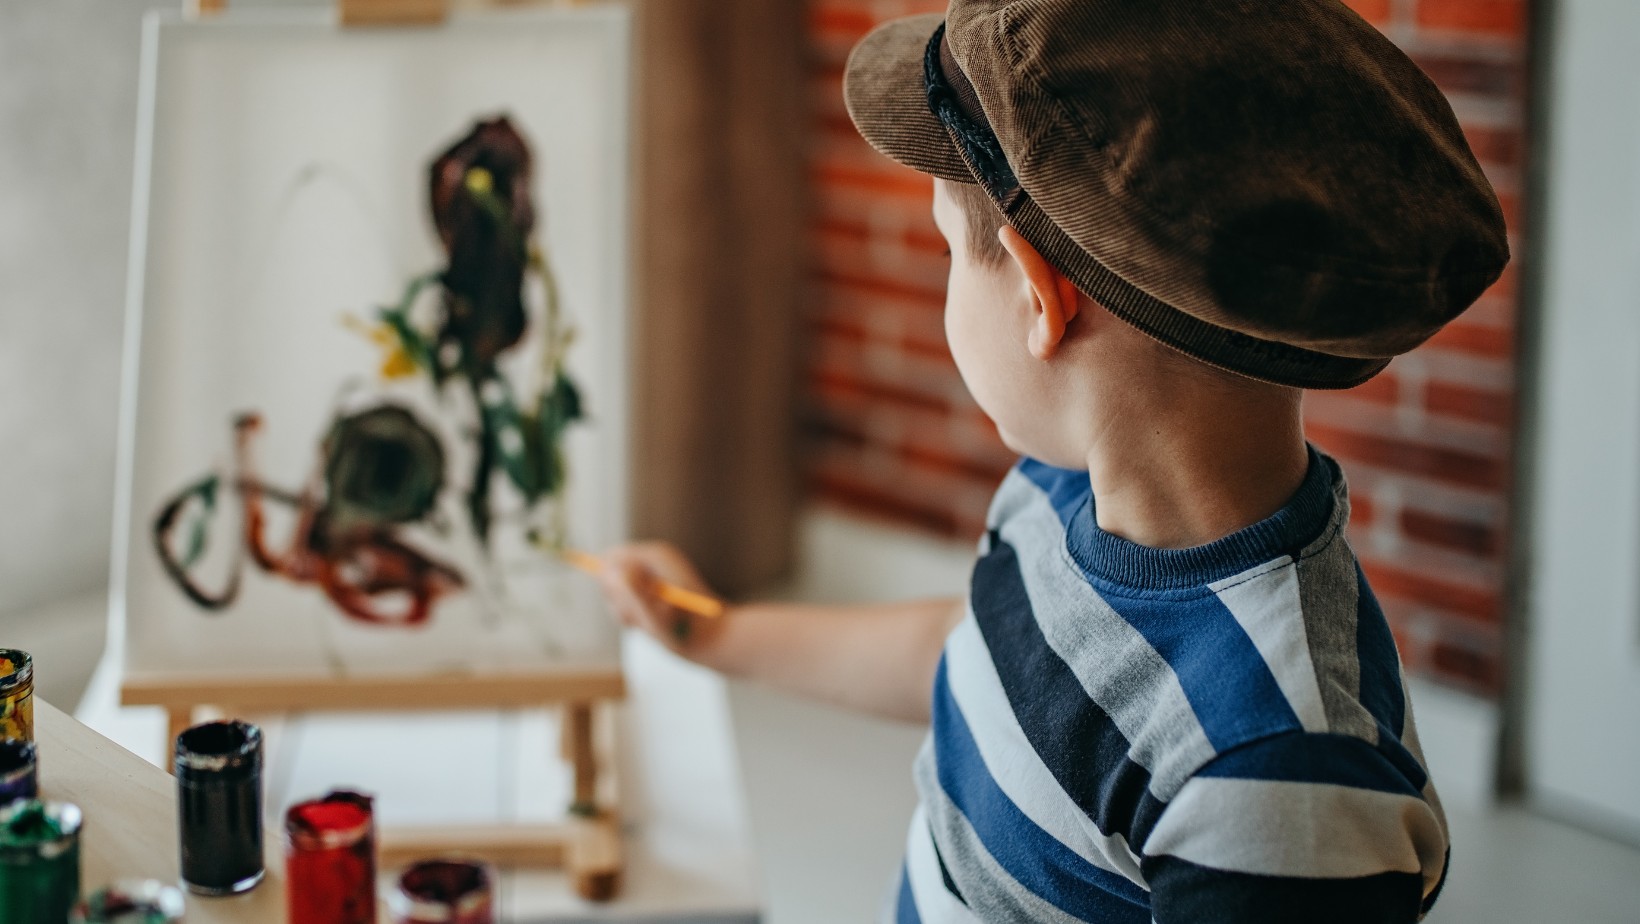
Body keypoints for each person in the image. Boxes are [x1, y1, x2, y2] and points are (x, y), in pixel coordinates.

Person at [593, 0, 1508, 920]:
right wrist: (713, 632)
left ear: (1041, 300)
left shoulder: (1281, 777)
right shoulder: (1067, 487)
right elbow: (981, 653)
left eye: (946, 251)